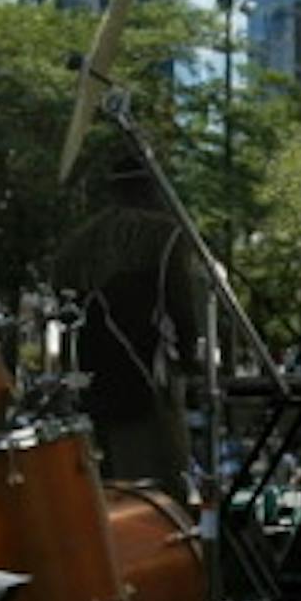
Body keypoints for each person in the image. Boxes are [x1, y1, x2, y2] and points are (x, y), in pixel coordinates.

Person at [51, 152, 202, 486]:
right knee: (158, 483)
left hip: (90, 375)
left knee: (106, 484)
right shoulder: (165, 234)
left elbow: (63, 309)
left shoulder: (76, 244)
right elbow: (180, 305)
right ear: (149, 188)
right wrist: (191, 361)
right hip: (143, 376)